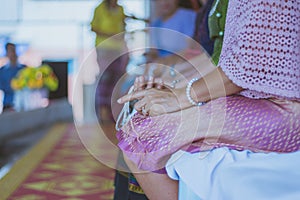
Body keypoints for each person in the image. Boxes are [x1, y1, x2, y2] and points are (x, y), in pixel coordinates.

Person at [116, 0, 300, 199]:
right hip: (253, 96)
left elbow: (243, 69)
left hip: (285, 109)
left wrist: (179, 96)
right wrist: (173, 88)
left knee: (143, 134)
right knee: (140, 119)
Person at [0, 43, 25, 112]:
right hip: (8, 104)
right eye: (10, 51)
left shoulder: (24, 69)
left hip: (23, 105)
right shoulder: (2, 70)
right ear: (6, 53)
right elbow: (2, 87)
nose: (13, 53)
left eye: (14, 50)